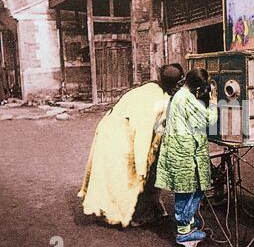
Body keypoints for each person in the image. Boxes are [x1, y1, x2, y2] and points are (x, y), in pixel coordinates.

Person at [78, 64, 185, 228]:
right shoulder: (159, 101)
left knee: (142, 168)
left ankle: (152, 205)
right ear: (175, 85)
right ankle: (136, 215)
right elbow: (144, 135)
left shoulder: (153, 87)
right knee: (131, 175)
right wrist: (143, 165)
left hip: (114, 127)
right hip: (118, 134)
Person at [155, 68, 218, 247]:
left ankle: (187, 222)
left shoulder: (180, 95)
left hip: (178, 148)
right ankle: (183, 231)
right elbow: (208, 120)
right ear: (198, 88)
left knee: (187, 188)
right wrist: (213, 100)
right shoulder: (187, 98)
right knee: (192, 188)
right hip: (184, 151)